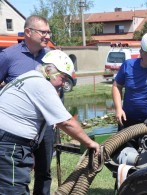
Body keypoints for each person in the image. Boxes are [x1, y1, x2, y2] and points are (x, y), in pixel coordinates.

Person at [0, 49, 100, 194]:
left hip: (10, 143)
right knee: (13, 191)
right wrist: (90, 143)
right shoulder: (42, 85)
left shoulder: (29, 77)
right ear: (48, 70)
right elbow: (66, 122)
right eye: (63, 77)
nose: (63, 83)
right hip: (10, 146)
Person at [0, 15, 55, 195]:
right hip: (17, 129)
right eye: (43, 32)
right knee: (17, 171)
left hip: (44, 125)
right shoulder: (8, 56)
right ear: (28, 32)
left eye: (49, 32)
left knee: (44, 171)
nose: (48, 36)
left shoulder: (51, 58)